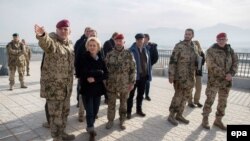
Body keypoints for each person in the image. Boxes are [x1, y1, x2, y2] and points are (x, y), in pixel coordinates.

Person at [34, 19, 75, 141]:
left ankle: (62, 134)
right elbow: (46, 43)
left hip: (66, 88)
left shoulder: (69, 44)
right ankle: (56, 138)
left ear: (69, 31)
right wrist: (42, 35)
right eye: (60, 29)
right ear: (56, 30)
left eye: (66, 29)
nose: (63, 31)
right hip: (54, 89)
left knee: (65, 113)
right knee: (55, 116)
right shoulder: (53, 42)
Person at [202, 32, 238, 130]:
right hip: (214, 81)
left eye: (223, 39)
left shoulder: (230, 50)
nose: (222, 41)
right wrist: (225, 74)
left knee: (223, 102)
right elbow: (210, 65)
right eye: (220, 39)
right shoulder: (210, 51)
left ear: (227, 40)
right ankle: (205, 119)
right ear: (216, 40)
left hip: (226, 83)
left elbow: (235, 62)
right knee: (210, 100)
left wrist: (231, 73)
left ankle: (218, 120)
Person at [77, 37, 108, 141]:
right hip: (87, 89)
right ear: (87, 47)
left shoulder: (101, 59)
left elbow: (106, 74)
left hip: (98, 89)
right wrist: (99, 72)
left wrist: (96, 76)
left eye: (94, 45)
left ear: (98, 47)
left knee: (95, 110)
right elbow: (81, 72)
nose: (92, 47)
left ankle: (90, 125)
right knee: (89, 111)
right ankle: (91, 129)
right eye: (90, 45)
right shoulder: (83, 58)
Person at [168, 28, 199, 126]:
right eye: (186, 34)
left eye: (189, 34)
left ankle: (179, 114)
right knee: (178, 96)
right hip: (180, 77)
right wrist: (171, 75)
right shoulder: (179, 46)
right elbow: (173, 61)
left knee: (185, 97)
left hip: (190, 77)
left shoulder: (194, 46)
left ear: (192, 35)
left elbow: (197, 59)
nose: (186, 36)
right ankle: (171, 115)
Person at [105, 34, 136, 130]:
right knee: (111, 104)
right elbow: (105, 69)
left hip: (124, 84)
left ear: (124, 42)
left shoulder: (129, 54)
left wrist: (132, 83)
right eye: (117, 40)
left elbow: (133, 69)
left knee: (123, 104)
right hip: (112, 84)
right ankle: (110, 121)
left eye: (120, 40)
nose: (118, 42)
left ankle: (122, 121)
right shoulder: (109, 54)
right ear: (114, 41)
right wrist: (105, 81)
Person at [127, 33, 152, 119]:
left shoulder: (146, 50)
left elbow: (148, 64)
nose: (140, 41)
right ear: (136, 40)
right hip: (134, 78)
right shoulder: (131, 50)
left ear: (144, 40)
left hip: (144, 77)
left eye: (141, 39)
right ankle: (128, 112)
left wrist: (149, 75)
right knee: (130, 96)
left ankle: (139, 110)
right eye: (138, 39)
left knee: (140, 95)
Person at [75, 27, 91, 108]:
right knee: (80, 86)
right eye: (87, 31)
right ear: (84, 32)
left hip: (91, 70)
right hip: (82, 69)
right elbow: (76, 55)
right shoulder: (79, 42)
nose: (88, 32)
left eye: (89, 31)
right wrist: (77, 70)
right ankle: (79, 101)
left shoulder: (94, 42)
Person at [102, 32, 119, 104]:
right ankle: (106, 98)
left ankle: (113, 95)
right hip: (108, 66)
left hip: (114, 66)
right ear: (114, 36)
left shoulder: (115, 43)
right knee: (108, 82)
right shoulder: (107, 43)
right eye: (117, 37)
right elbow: (105, 54)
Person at [188, 40, 205, 108]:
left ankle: (196, 101)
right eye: (193, 44)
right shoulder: (189, 52)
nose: (195, 46)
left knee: (199, 88)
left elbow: (203, 62)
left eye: (196, 44)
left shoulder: (201, 52)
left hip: (198, 72)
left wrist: (199, 61)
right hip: (190, 72)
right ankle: (189, 102)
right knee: (190, 88)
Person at [144, 33, 158, 101]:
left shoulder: (152, 47)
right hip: (140, 67)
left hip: (148, 67)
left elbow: (156, 57)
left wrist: (150, 64)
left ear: (148, 39)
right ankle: (140, 94)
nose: (144, 39)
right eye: (143, 38)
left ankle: (147, 95)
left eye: (145, 38)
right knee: (140, 81)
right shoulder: (139, 46)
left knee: (147, 81)